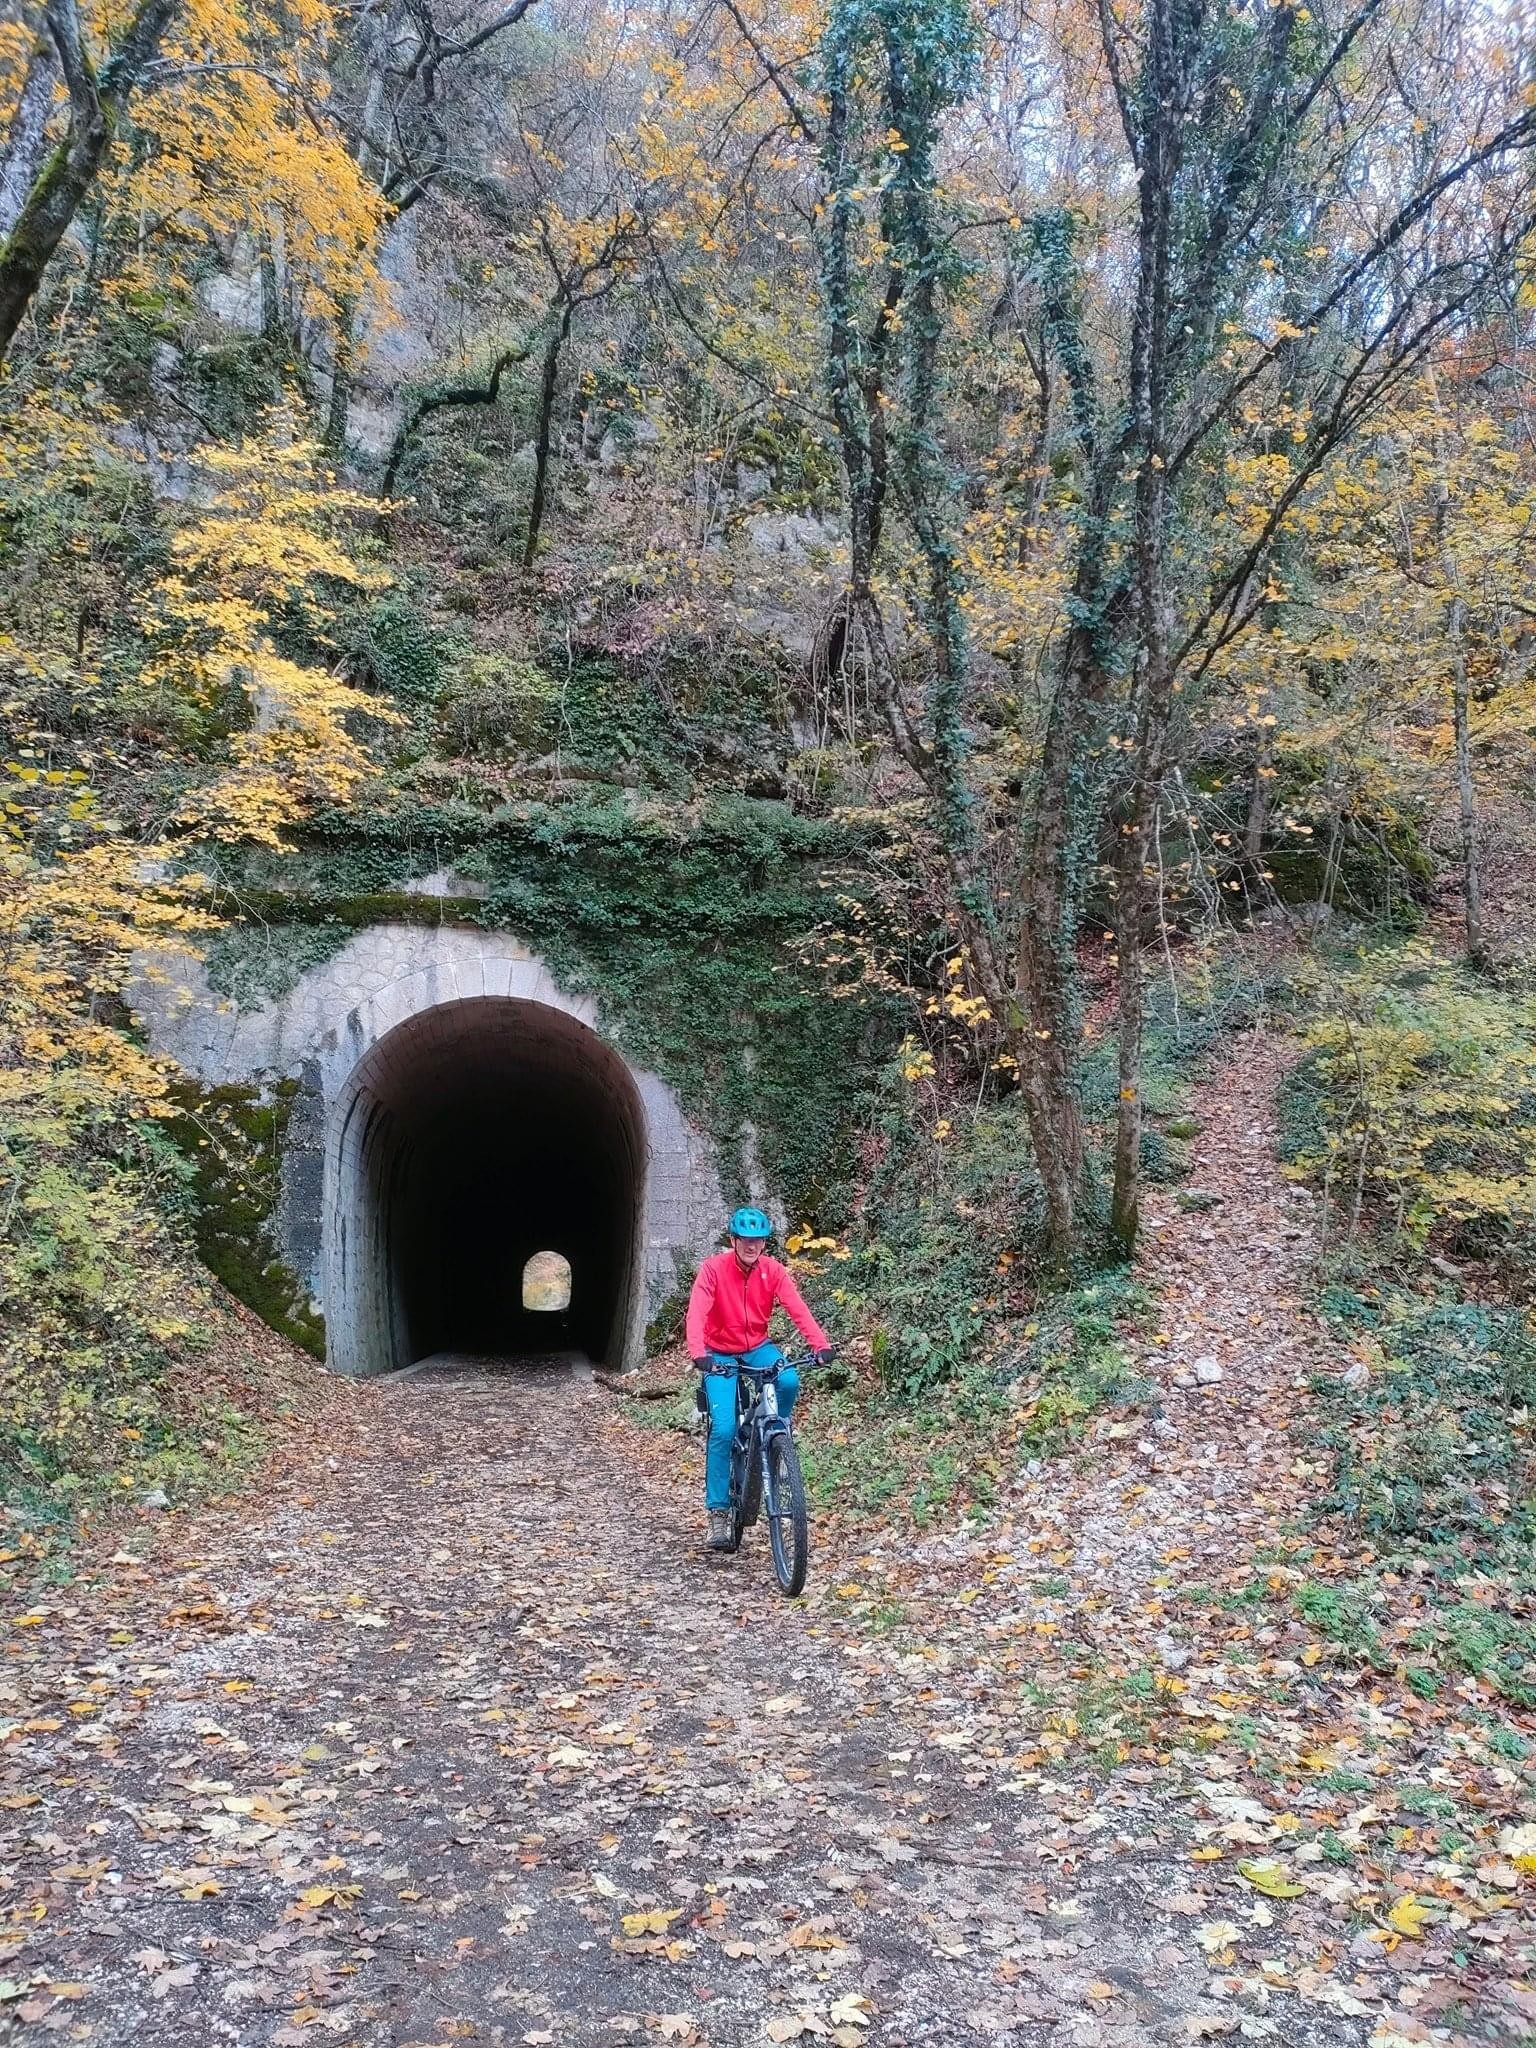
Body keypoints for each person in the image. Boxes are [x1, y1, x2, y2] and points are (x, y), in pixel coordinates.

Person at [686, 1206, 835, 1551]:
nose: (753, 1247)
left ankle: (773, 1432)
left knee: (789, 1380)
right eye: (746, 1240)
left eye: (759, 1241)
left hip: (757, 1347)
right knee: (723, 1428)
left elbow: (798, 1309)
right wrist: (700, 1354)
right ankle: (719, 1513)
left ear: (764, 1244)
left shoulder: (774, 1272)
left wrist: (821, 1345)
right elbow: (696, 1313)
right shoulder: (713, 1270)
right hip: (719, 1352)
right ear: (734, 1241)